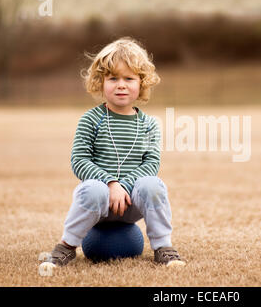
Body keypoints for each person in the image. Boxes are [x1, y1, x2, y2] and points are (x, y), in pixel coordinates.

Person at [46, 37, 185, 267]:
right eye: (113, 78)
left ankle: (163, 247)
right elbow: (79, 160)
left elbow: (151, 163)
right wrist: (110, 184)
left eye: (129, 78)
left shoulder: (149, 124)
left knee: (153, 184)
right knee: (92, 188)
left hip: (131, 203)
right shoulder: (91, 120)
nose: (121, 84)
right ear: (101, 83)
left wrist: (123, 187)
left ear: (142, 83)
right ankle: (66, 246)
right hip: (99, 201)